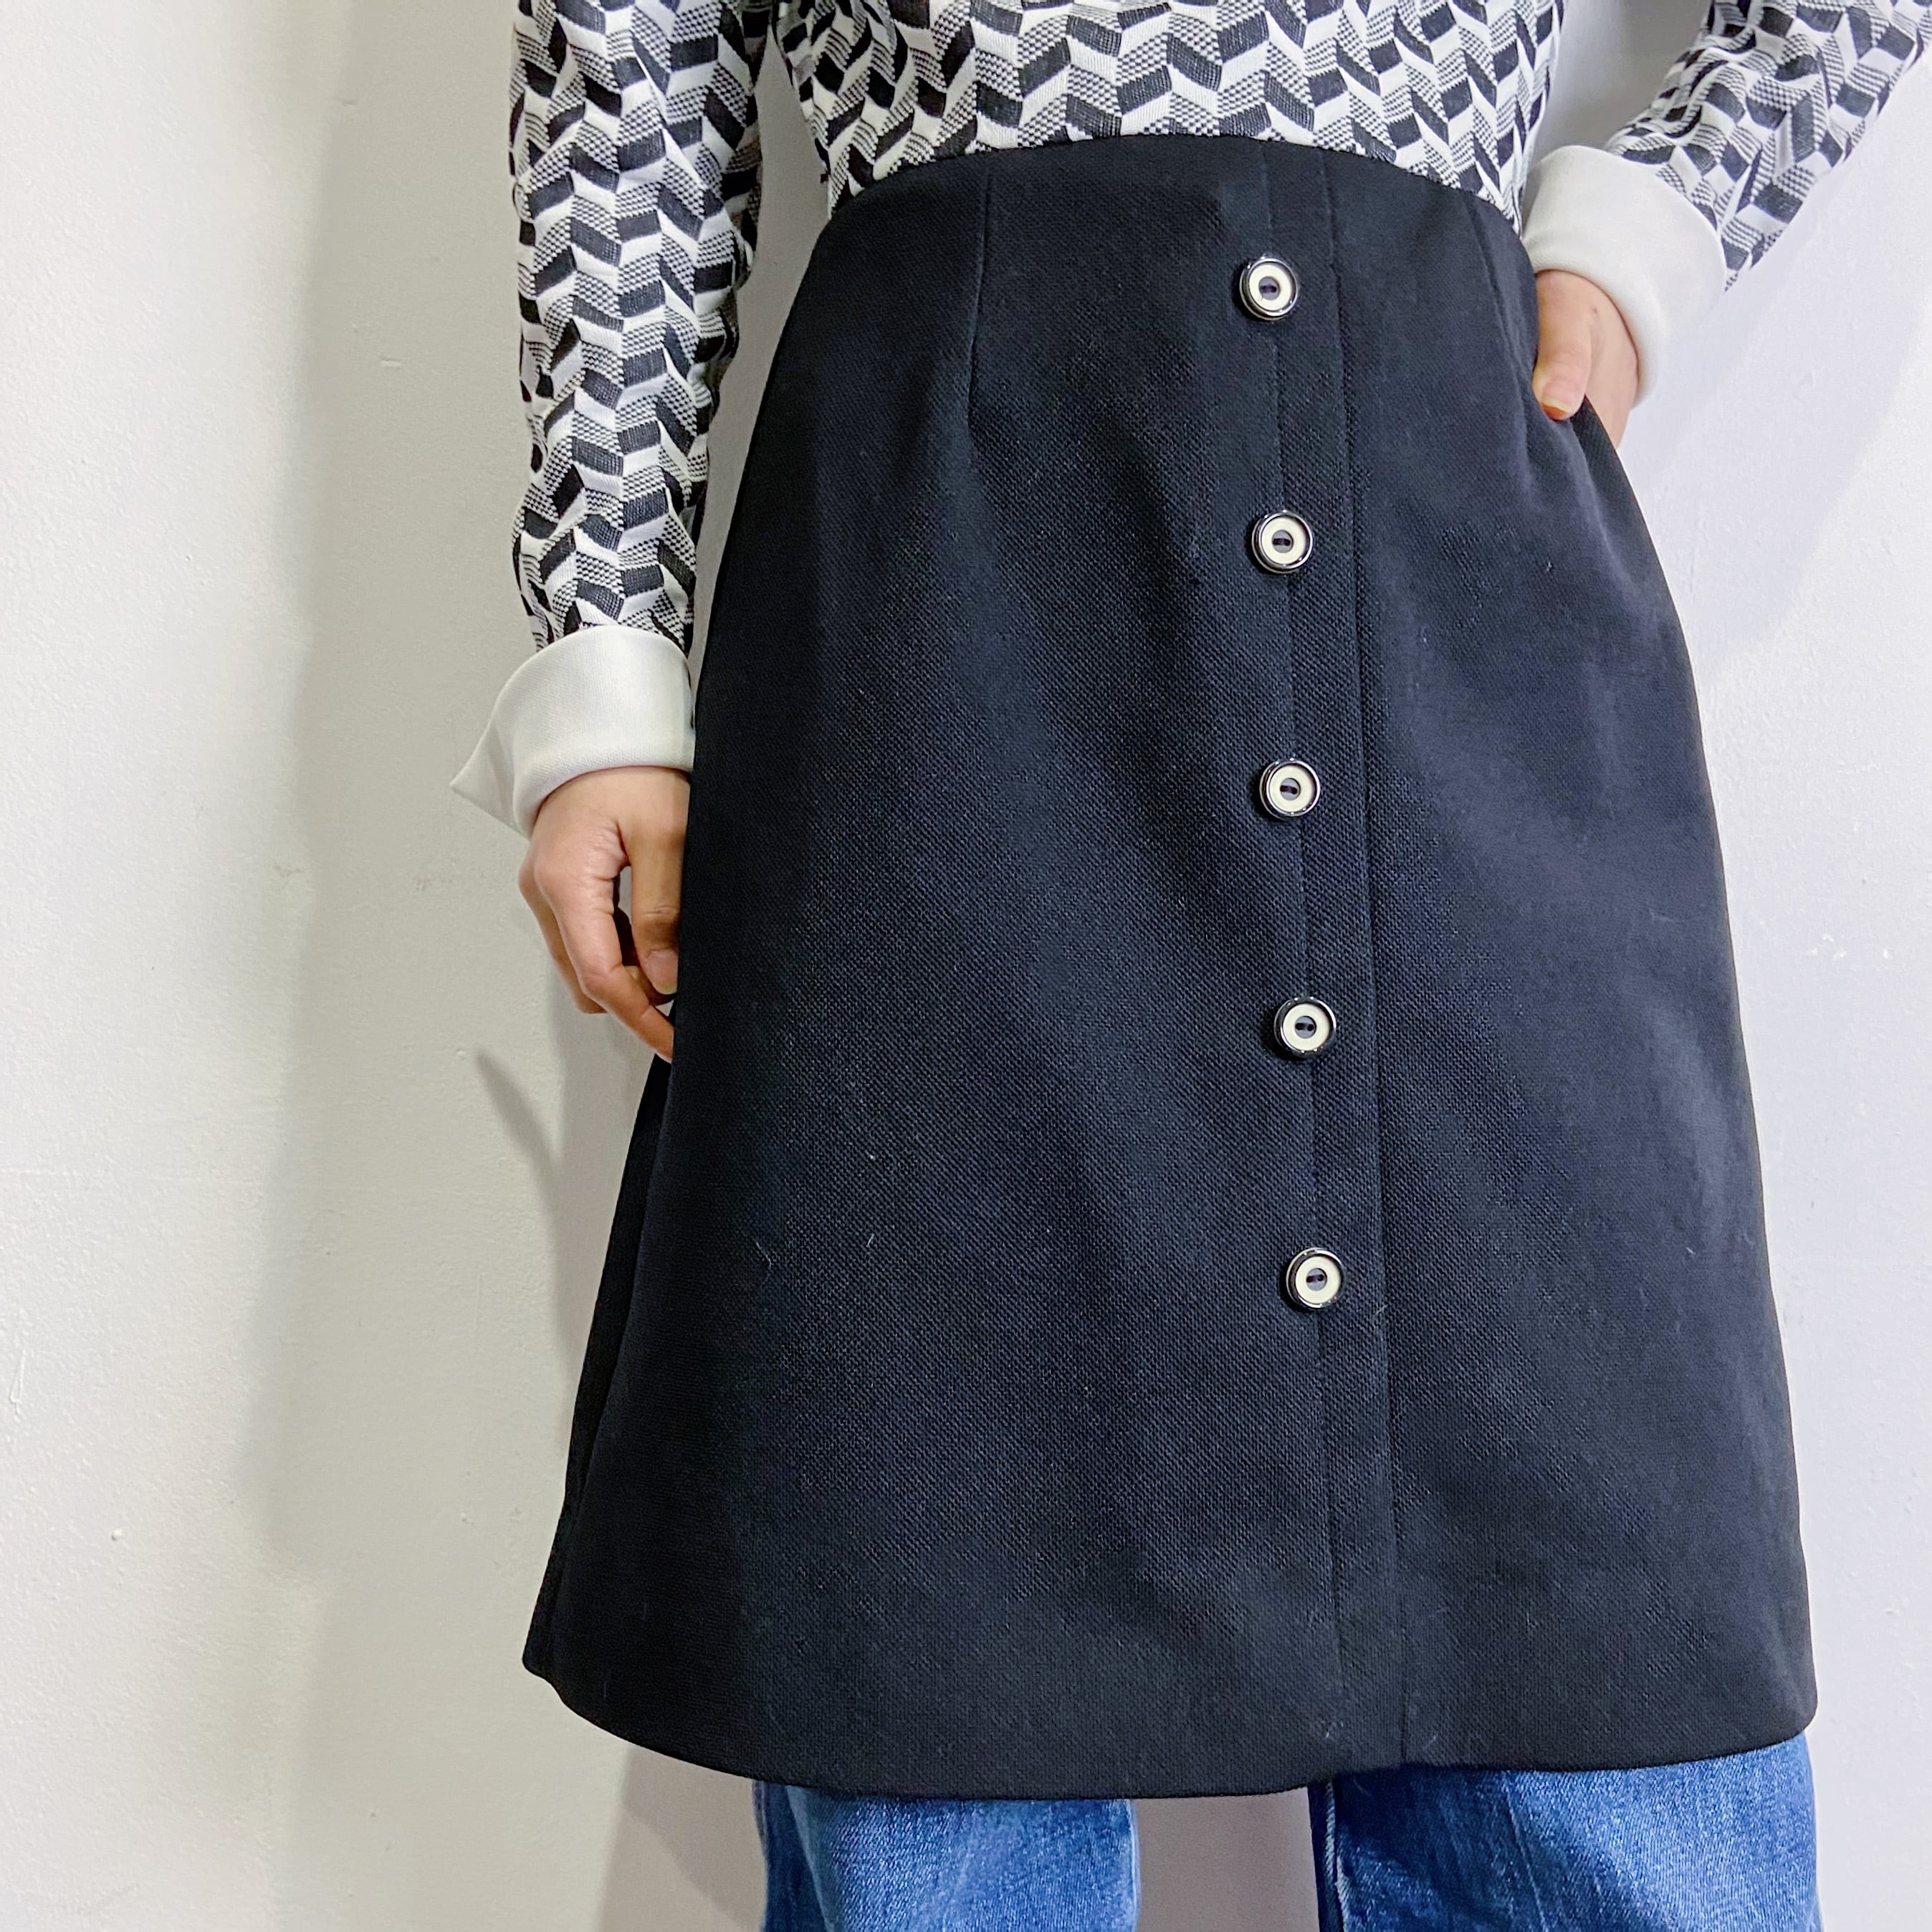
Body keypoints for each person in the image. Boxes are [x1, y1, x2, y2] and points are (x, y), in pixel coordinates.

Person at [451, 1, 1926, 1923]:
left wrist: (1656, 229)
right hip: (942, 621)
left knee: (1591, 1594)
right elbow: (626, 83)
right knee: (926, 1602)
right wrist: (604, 660)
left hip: (1454, 553)